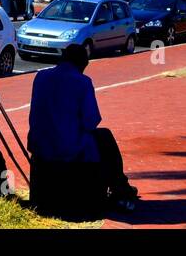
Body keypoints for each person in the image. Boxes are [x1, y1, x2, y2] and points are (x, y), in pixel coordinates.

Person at [28, 44, 138, 213]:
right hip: (66, 149)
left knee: (94, 138)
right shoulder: (82, 82)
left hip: (40, 145)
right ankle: (120, 188)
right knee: (105, 137)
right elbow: (90, 121)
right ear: (82, 64)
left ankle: (120, 187)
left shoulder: (40, 77)